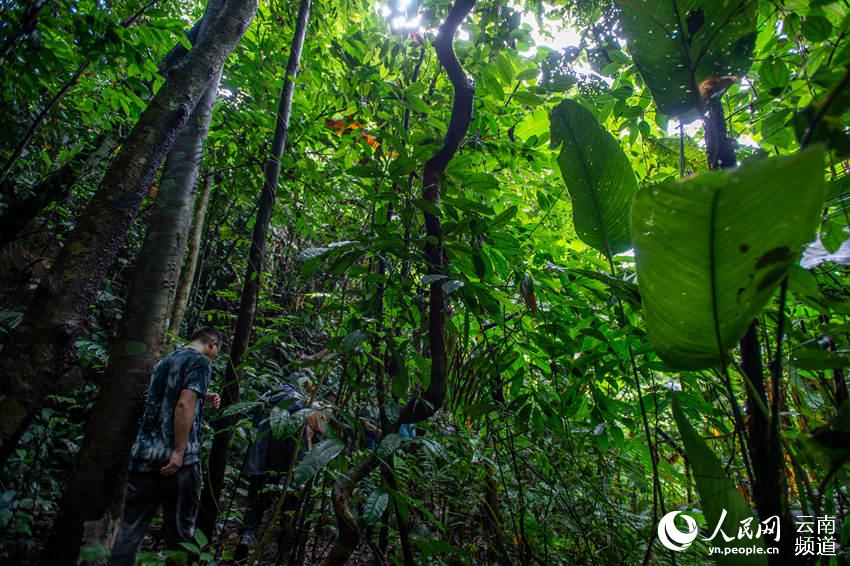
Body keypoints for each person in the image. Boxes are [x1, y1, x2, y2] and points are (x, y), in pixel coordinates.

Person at [108, 327, 223, 566]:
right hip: (178, 460)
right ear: (212, 344)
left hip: (144, 455)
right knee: (180, 534)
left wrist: (203, 395)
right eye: (217, 351)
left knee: (129, 530)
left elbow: (164, 399)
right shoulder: (200, 362)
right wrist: (179, 451)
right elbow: (183, 404)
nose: (215, 356)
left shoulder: (165, 361)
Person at [236, 371, 324, 557]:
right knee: (289, 504)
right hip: (287, 461)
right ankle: (284, 546)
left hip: (260, 459)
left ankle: (248, 535)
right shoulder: (301, 402)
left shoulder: (269, 394)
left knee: (257, 499)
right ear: (304, 383)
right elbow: (309, 435)